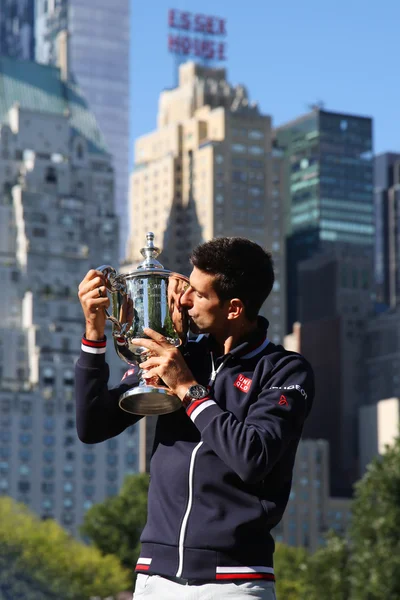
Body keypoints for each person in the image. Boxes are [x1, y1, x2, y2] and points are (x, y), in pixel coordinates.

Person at [76, 237, 315, 600]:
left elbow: (253, 457)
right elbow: (92, 426)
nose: (185, 300)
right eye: (187, 287)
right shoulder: (181, 354)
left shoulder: (285, 370)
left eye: (199, 295)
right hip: (153, 577)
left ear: (233, 308)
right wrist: (94, 336)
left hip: (235, 583)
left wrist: (188, 387)